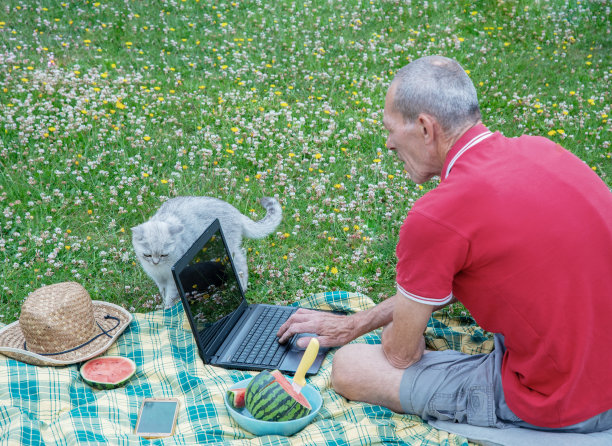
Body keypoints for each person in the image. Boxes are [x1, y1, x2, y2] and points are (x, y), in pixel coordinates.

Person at [277, 55, 612, 432]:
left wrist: (396, 336)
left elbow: (401, 355)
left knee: (351, 367)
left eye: (390, 130)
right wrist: (356, 323)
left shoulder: (437, 216)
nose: (388, 144)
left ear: (424, 128)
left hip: (571, 402)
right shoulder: (543, 149)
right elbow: (484, 268)